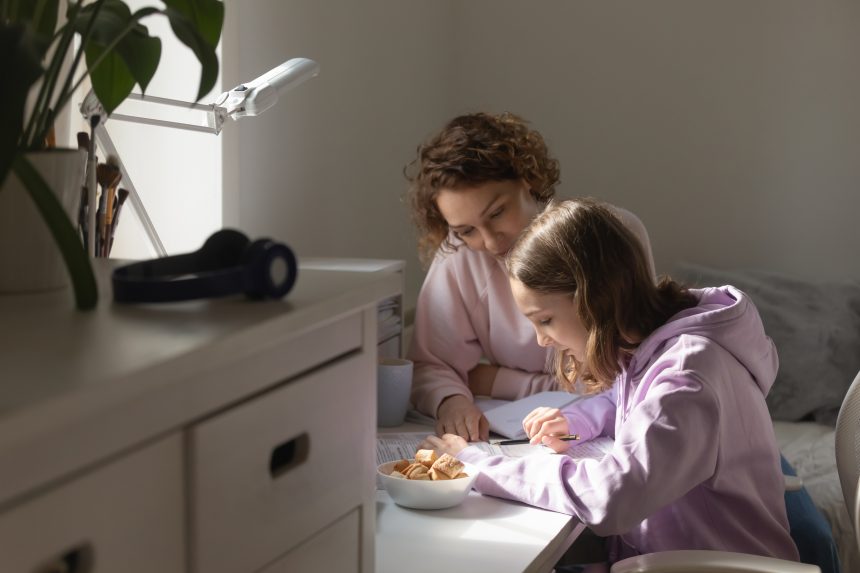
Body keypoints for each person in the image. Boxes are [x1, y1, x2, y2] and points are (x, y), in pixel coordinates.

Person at [420, 198, 800, 565]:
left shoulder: (687, 378)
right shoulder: (659, 345)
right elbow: (622, 399)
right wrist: (576, 422)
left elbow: (611, 497)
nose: (542, 339)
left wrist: (473, 465)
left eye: (545, 319)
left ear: (594, 300)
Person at [405, 112, 654, 441]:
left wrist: (494, 380)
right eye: (466, 230)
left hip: (607, 424)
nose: (491, 243)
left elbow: (632, 372)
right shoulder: (460, 257)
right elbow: (430, 366)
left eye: (497, 213)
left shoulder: (613, 236)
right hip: (519, 429)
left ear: (528, 180)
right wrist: (451, 401)